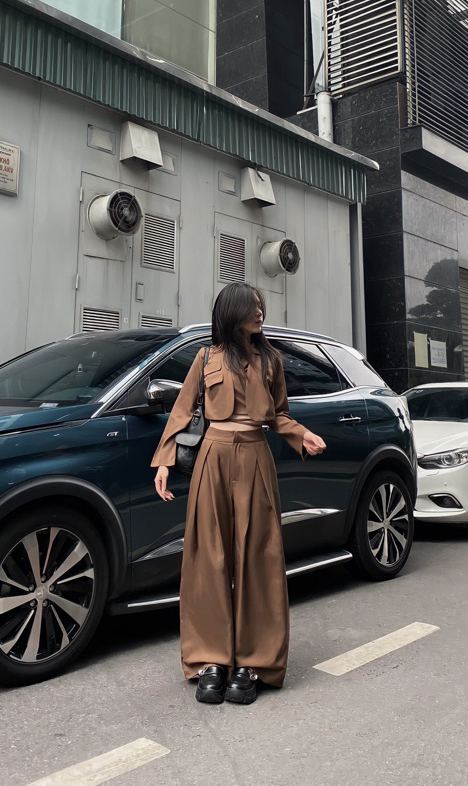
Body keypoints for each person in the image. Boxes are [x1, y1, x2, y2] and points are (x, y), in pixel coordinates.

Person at [151, 283, 326, 705]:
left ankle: (254, 662)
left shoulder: (271, 360)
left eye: (262, 307)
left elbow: (279, 414)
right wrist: (164, 461)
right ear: (232, 313)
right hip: (212, 457)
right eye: (252, 308)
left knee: (258, 556)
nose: (260, 313)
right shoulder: (205, 357)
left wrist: (301, 435)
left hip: (255, 455)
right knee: (207, 558)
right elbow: (182, 410)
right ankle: (210, 660)